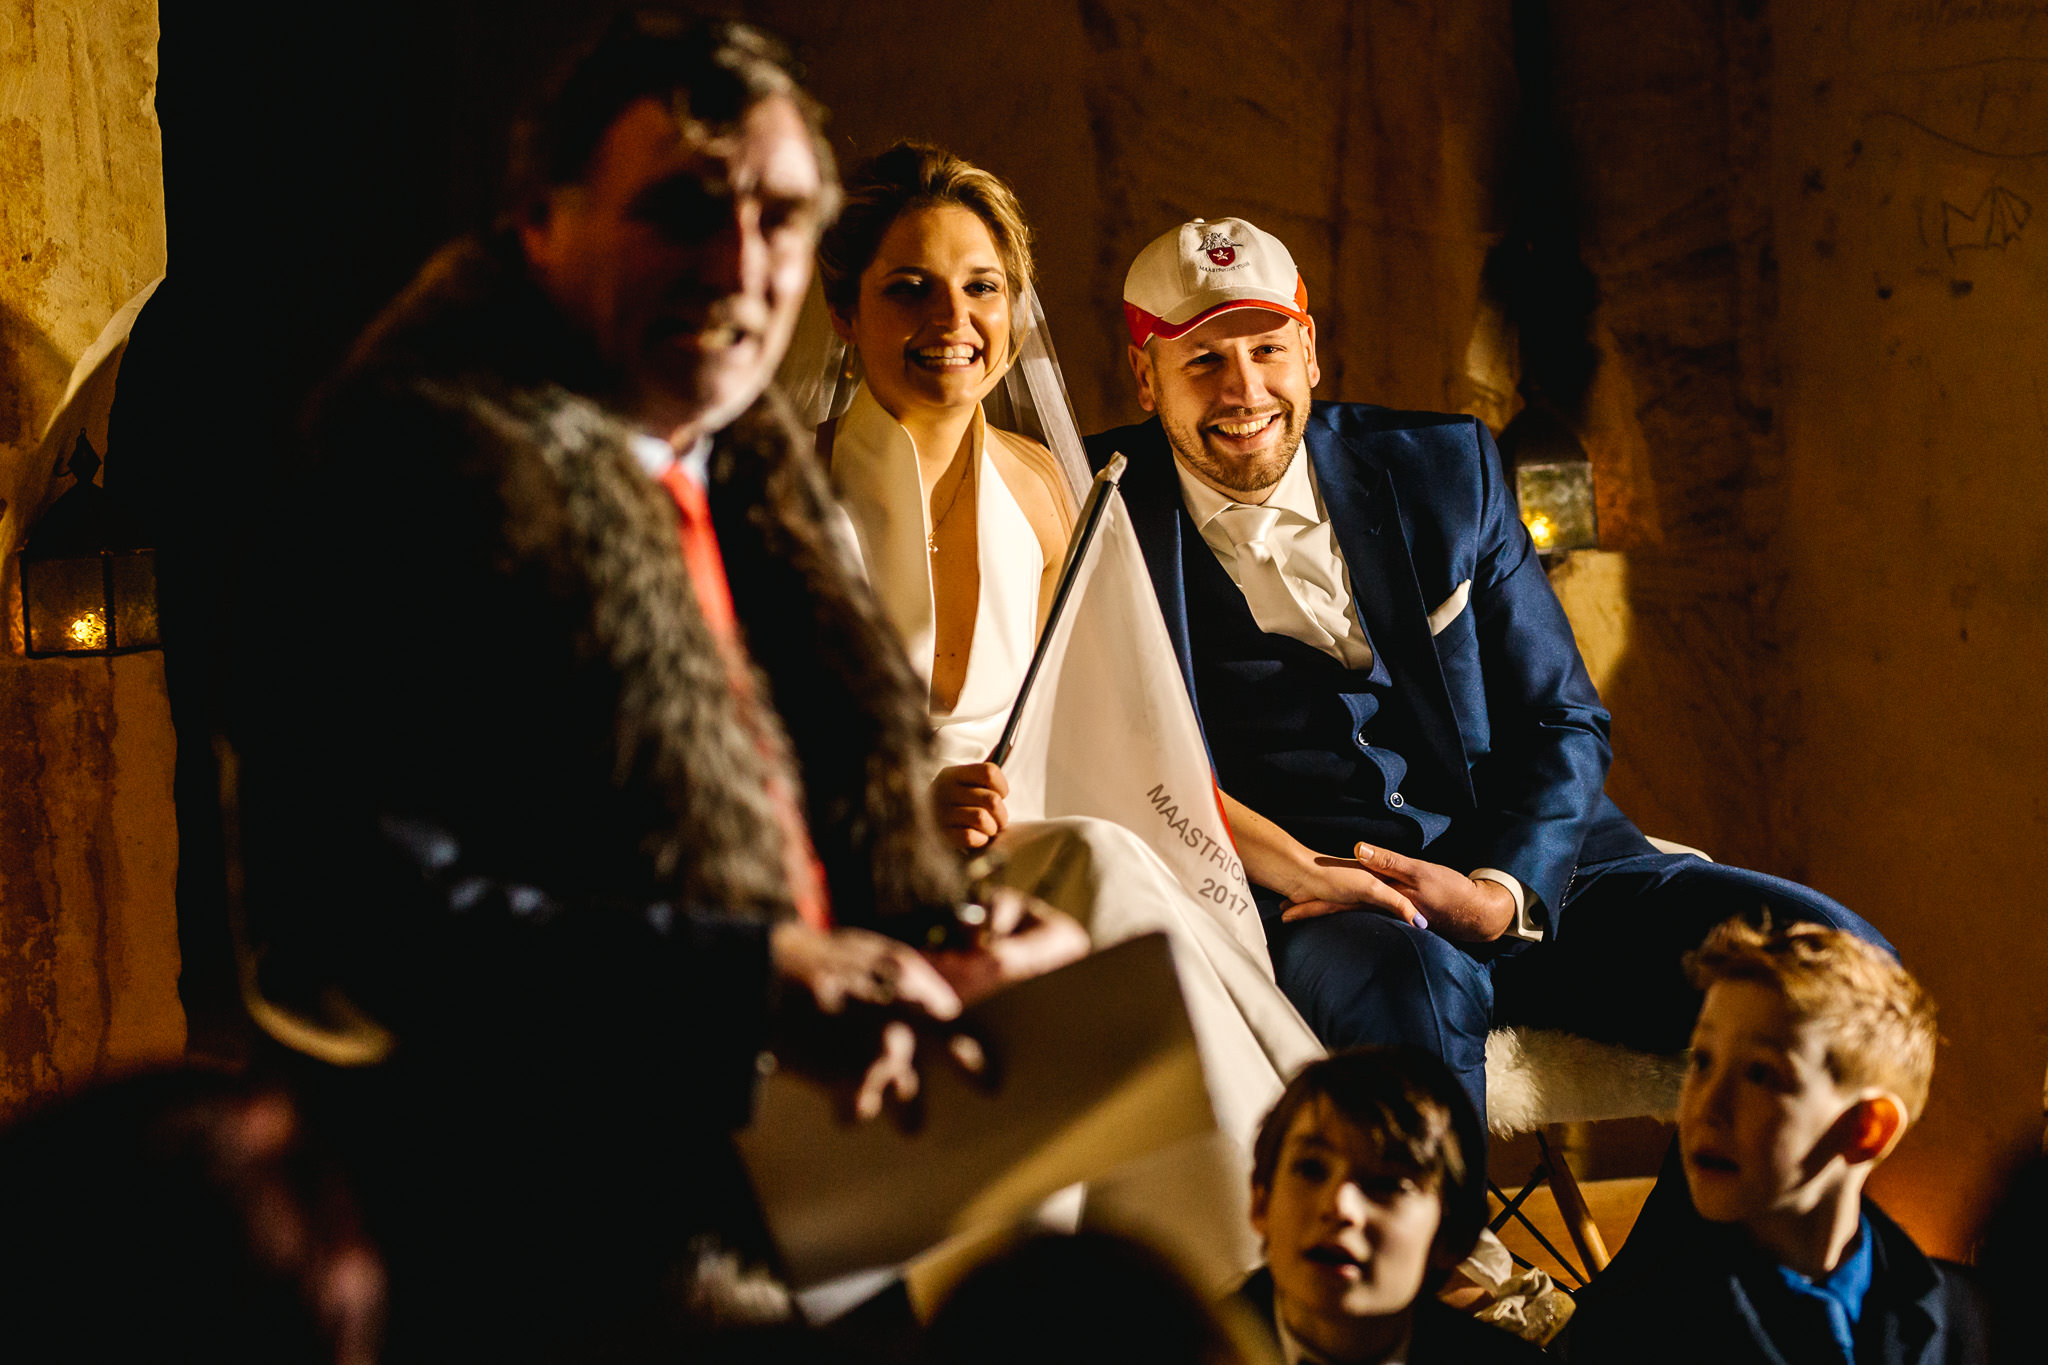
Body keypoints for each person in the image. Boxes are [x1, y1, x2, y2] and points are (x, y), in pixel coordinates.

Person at [232, 14, 1082, 1360]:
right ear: (543, 221)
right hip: (547, 1246)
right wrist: (746, 984)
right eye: (683, 212)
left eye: (781, 219)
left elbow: (810, 838)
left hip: (818, 1202)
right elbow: (346, 925)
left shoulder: (739, 456)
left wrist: (942, 936)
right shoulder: (410, 471)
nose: (741, 266)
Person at [1085, 217, 1893, 1118]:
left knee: (1836, 963)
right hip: (1336, 911)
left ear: (1308, 351)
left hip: (1545, 878)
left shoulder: (1445, 465)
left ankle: (1701, 1220)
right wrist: (1306, 873)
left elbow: (1563, 716)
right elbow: (1106, 762)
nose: (1244, 389)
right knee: (1408, 993)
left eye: (1267, 349)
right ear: (1145, 376)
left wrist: (1502, 895)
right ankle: (1437, 1220)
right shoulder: (1088, 506)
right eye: (1202, 360)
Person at [803, 144, 1323, 1277]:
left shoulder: (1045, 488)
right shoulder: (783, 499)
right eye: (909, 288)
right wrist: (899, 815)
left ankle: (1220, 1243)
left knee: (1094, 855)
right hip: (843, 868)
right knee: (1091, 864)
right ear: (843, 313)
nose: (953, 320)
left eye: (981, 286)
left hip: (1014, 851)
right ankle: (1250, 1244)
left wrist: (1300, 864)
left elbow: (1125, 743)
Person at [1563, 919, 1988, 1364]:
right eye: (1703, 1061)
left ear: (1867, 1128)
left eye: (1760, 1074)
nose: (1707, 1106)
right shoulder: (1628, 1330)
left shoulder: (1970, 1319)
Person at [1231, 1048, 1544, 1364]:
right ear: (1261, 1202)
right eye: (1311, 1169)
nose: (1340, 1207)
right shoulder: (1204, 1345)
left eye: (1387, 1185)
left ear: (1455, 1236)